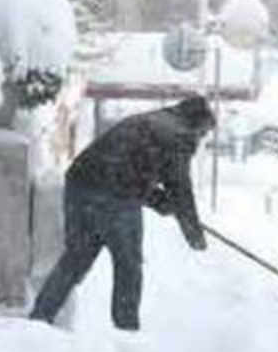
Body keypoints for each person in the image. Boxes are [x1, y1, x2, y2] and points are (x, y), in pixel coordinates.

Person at [30, 95, 217, 331]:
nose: (202, 138)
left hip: (81, 186)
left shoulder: (152, 120)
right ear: (197, 124)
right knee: (128, 266)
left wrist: (158, 200)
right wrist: (194, 235)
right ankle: (127, 332)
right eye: (204, 132)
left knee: (75, 259)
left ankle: (39, 318)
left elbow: (127, 166)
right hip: (115, 198)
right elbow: (180, 190)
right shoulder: (181, 136)